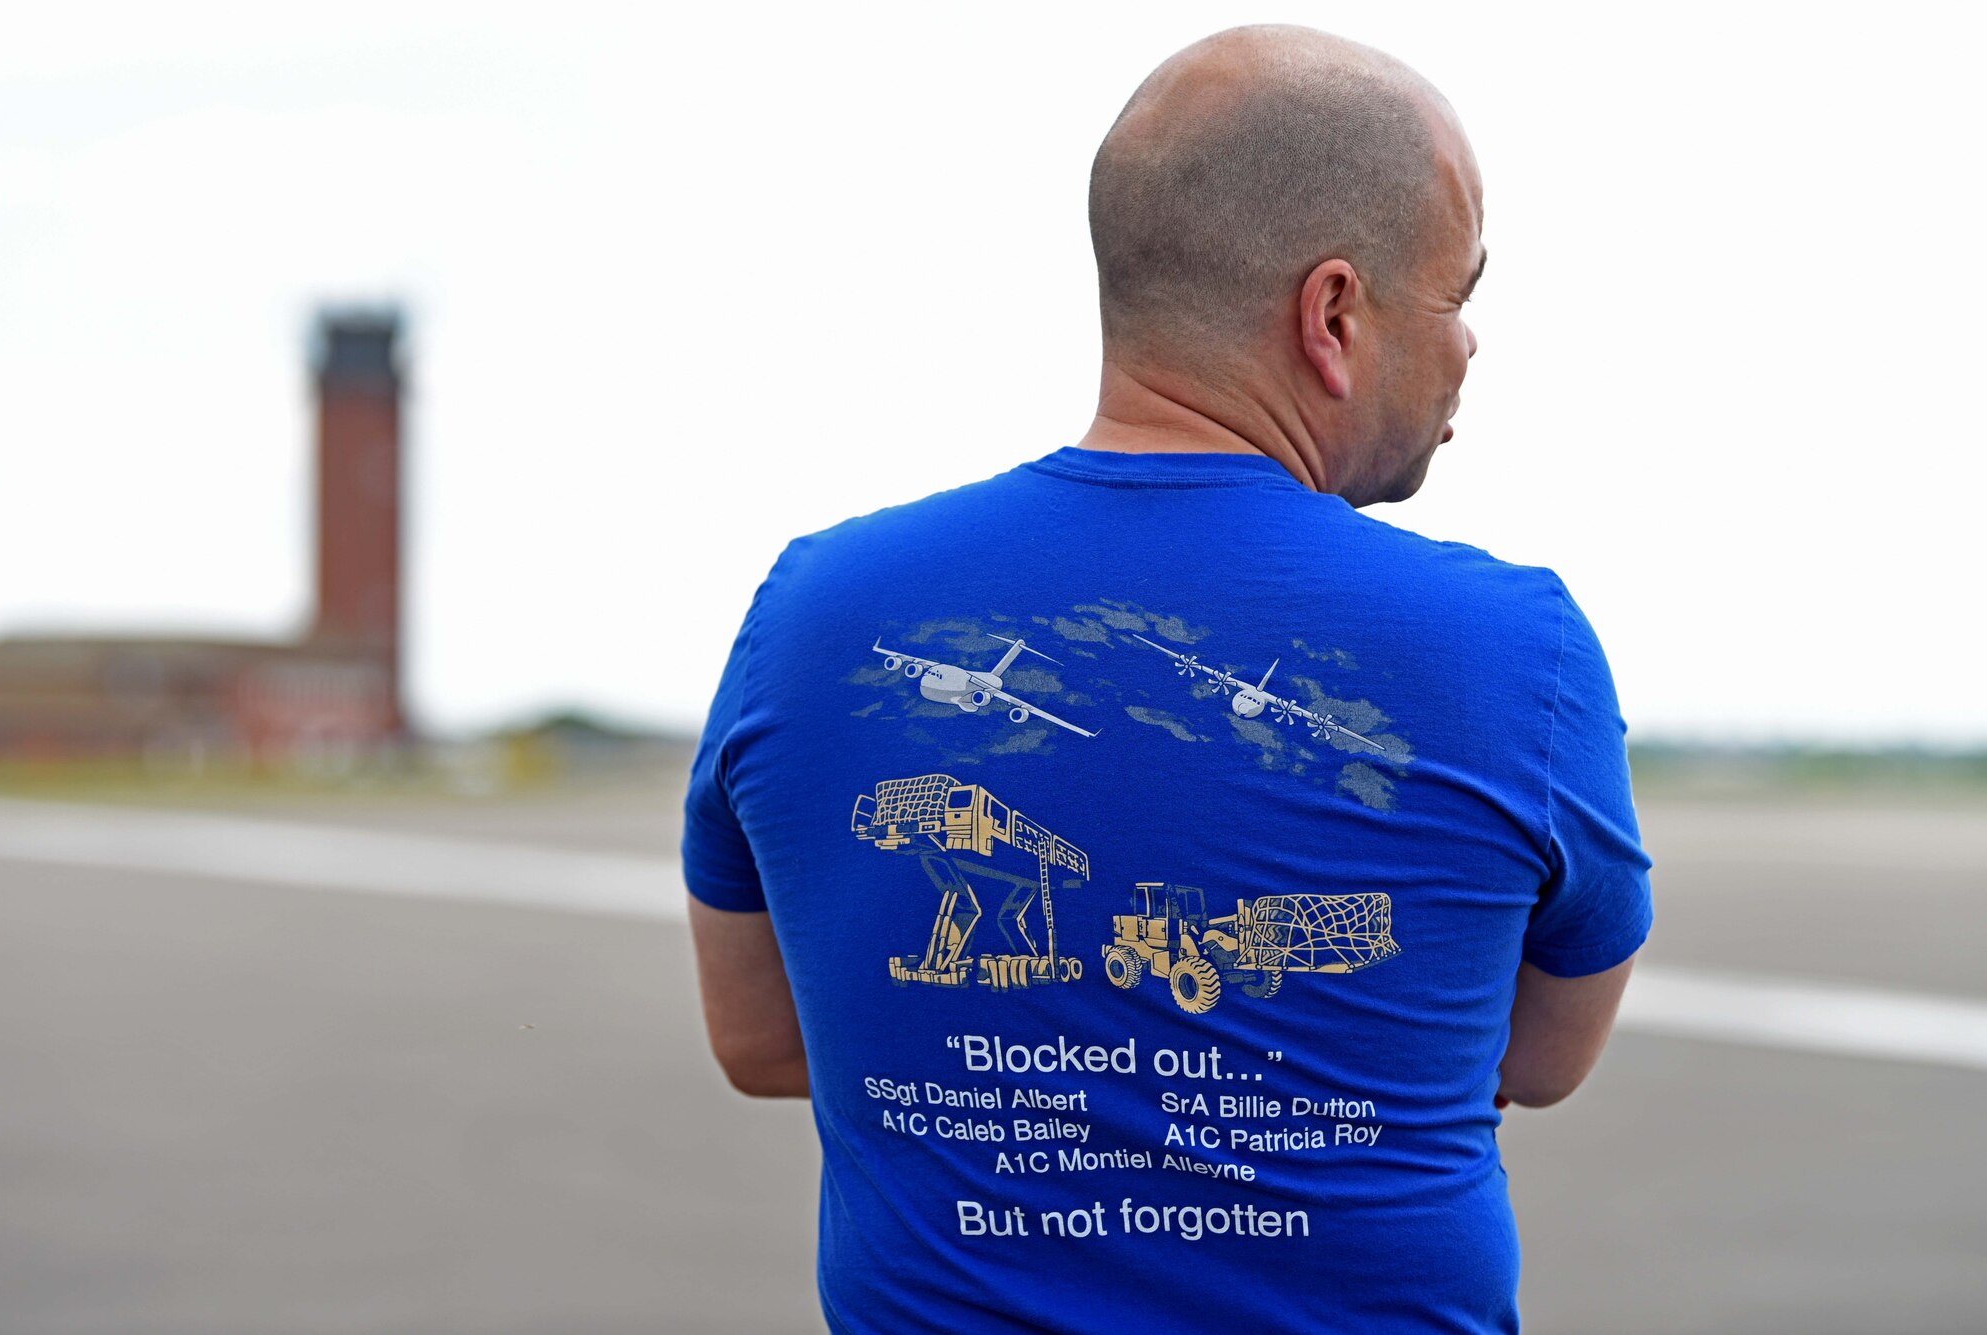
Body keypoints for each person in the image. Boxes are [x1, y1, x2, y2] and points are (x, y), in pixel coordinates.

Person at [683, 23, 1652, 1334]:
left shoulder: (811, 609)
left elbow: (762, 1046)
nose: (1472, 345)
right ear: (1334, 315)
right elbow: (1533, 1063)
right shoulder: (1514, 646)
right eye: (1459, 293)